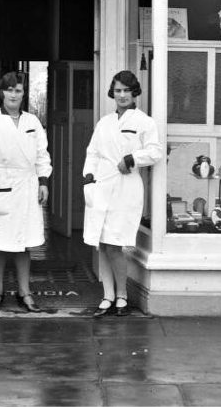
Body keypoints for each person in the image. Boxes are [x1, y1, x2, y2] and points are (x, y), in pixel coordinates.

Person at [82, 70, 163, 318]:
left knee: (116, 245)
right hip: (102, 185)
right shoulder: (104, 122)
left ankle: (122, 296)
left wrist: (131, 158)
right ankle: (107, 295)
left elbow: (155, 152)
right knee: (102, 245)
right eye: (117, 90)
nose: (122, 95)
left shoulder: (144, 122)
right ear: (112, 93)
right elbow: (93, 151)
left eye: (126, 90)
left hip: (126, 188)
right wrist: (89, 177)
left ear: (134, 92)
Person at [0, 71, 51, 313]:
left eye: (18, 90)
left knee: (24, 242)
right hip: (1, 185)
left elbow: (42, 154)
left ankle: (24, 291)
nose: (13, 94)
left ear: (23, 93)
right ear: (1, 93)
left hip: (27, 187)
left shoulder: (33, 122)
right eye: (9, 90)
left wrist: (43, 181)